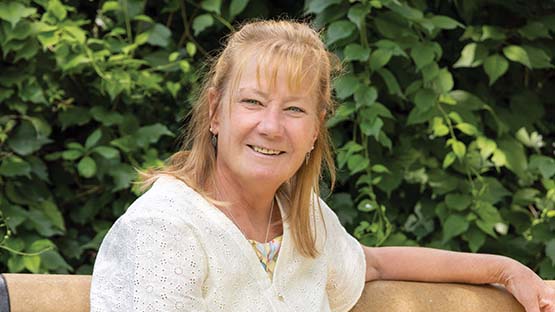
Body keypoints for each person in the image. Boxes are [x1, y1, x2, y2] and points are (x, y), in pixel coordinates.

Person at [90, 20, 555, 312]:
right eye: (252, 102)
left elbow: (373, 263)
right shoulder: (162, 229)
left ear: (316, 129)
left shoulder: (303, 219)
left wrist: (505, 270)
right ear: (215, 112)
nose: (271, 127)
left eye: (294, 110)